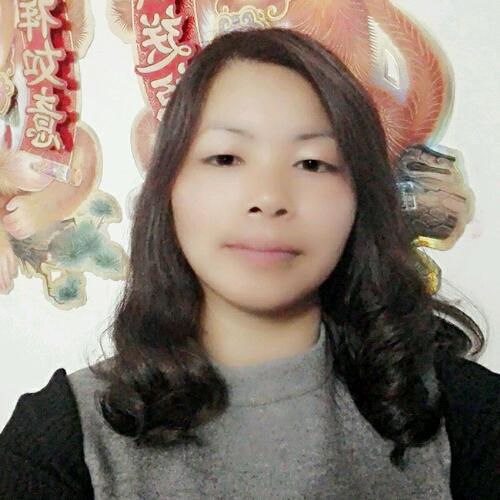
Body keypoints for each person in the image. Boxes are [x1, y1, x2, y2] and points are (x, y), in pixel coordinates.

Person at [0, 27, 498, 499]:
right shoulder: (61, 440)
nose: (268, 197)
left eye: (312, 163)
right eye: (225, 158)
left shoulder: (468, 415)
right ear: (169, 189)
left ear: (359, 199)